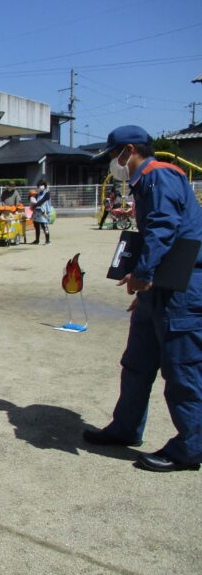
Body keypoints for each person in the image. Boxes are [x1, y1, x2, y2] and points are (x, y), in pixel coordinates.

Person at [83, 125, 202, 473]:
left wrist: (144, 275)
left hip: (181, 288)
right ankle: (125, 427)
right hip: (158, 289)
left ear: (129, 149)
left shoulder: (159, 175)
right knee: (136, 363)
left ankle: (190, 448)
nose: (112, 163)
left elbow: (164, 226)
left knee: (182, 369)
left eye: (112, 155)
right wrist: (145, 285)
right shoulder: (145, 181)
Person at [30, 179, 51, 245]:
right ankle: (37, 240)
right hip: (37, 212)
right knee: (36, 226)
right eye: (39, 186)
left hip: (43, 212)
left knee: (44, 226)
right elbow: (33, 199)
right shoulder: (37, 194)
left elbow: (42, 201)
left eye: (41, 185)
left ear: (45, 186)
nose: (40, 187)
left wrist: (35, 205)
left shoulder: (47, 193)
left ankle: (47, 241)